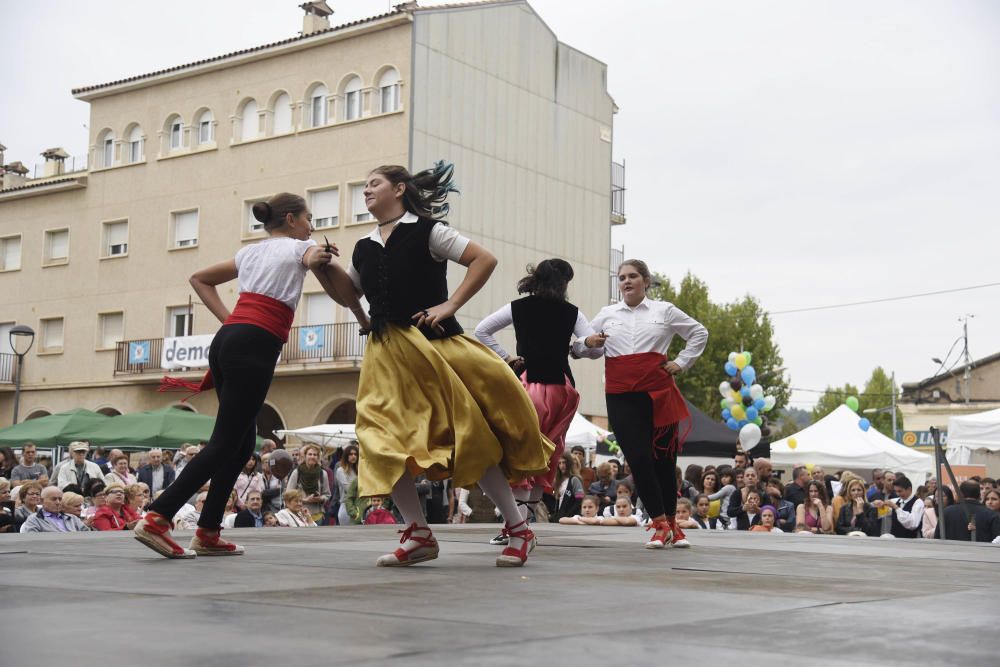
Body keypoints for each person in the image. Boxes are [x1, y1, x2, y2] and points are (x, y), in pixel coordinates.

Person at [346, 162, 554, 568]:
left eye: (374, 183)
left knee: (467, 439)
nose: (366, 190)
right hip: (386, 356)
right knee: (380, 443)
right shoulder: (363, 246)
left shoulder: (429, 231)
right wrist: (323, 270)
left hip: (432, 347)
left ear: (399, 189)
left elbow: (484, 260)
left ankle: (518, 528)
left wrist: (451, 304)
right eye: (365, 185)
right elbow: (348, 291)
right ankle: (418, 533)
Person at [136, 191, 365, 558]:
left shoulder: (249, 251)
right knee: (225, 442)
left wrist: (230, 320)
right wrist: (320, 254)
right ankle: (157, 517)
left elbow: (199, 278)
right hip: (254, 344)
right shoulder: (297, 247)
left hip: (230, 339)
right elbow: (311, 255)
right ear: (291, 220)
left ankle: (208, 530)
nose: (311, 226)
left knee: (241, 444)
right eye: (309, 219)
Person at [583, 259, 708, 550]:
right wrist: (589, 342)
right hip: (620, 395)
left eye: (632, 276)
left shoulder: (664, 310)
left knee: (664, 461)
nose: (626, 281)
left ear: (646, 281)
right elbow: (581, 347)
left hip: (658, 392)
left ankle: (673, 527)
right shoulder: (607, 314)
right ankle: (660, 523)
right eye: (621, 277)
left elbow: (699, 333)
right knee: (637, 458)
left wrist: (681, 362)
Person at [474, 258, 600, 535]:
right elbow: (595, 350)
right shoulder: (572, 313)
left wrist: (506, 357)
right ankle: (523, 525)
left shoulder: (518, 307)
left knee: (521, 454)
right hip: (561, 390)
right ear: (564, 283)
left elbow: (481, 330)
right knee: (547, 456)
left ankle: (515, 528)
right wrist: (583, 345)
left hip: (526, 386)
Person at [287, 444, 332, 523]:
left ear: (318, 457)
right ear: (305, 456)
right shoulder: (297, 472)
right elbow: (288, 494)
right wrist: (304, 500)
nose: (312, 456)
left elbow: (327, 494)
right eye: (310, 454)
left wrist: (320, 498)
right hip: (299, 515)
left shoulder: (322, 473)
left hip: (317, 515)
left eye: (315, 455)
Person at [20, 486, 91, 533]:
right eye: (53, 499)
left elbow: (88, 535)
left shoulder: (72, 518)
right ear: (42, 501)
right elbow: (33, 541)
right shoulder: (34, 519)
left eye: (60, 499)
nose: (58, 502)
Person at [874, 474, 923, 539]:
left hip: (911, 541)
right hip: (895, 540)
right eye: (896, 491)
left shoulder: (918, 502)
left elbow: (912, 524)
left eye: (900, 491)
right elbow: (883, 514)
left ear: (909, 489)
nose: (898, 494)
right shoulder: (896, 500)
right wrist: (880, 505)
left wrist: (896, 508)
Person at [553, 452, 584, 520]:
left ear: (569, 464)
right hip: (560, 517)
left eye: (564, 462)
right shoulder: (559, 481)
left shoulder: (574, 479)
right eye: (560, 463)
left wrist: (569, 514)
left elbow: (580, 499)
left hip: (571, 518)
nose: (562, 466)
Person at [331, 443, 357, 525]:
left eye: (355, 454)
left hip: (360, 504)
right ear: (346, 456)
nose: (353, 456)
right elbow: (348, 489)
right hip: (346, 505)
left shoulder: (360, 470)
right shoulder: (340, 470)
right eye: (351, 454)